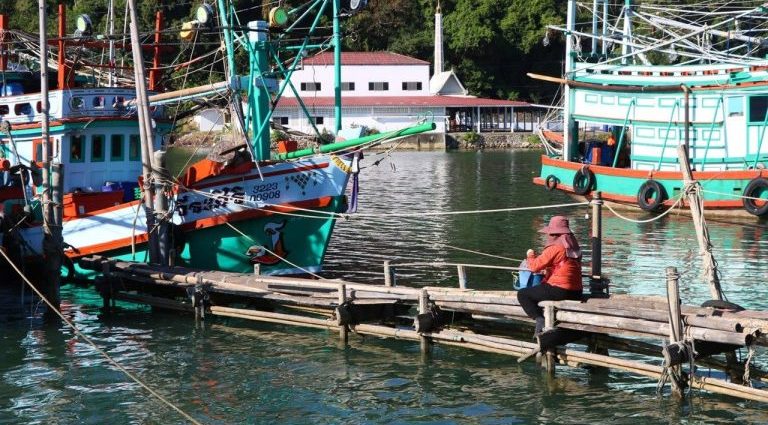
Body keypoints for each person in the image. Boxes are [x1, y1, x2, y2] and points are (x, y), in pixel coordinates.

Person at [516, 215, 583, 337]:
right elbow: (564, 267)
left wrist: (530, 255)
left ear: (554, 234)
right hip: (577, 292)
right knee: (541, 290)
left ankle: (539, 318)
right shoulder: (574, 245)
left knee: (523, 294)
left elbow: (534, 267)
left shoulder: (556, 248)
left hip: (560, 290)